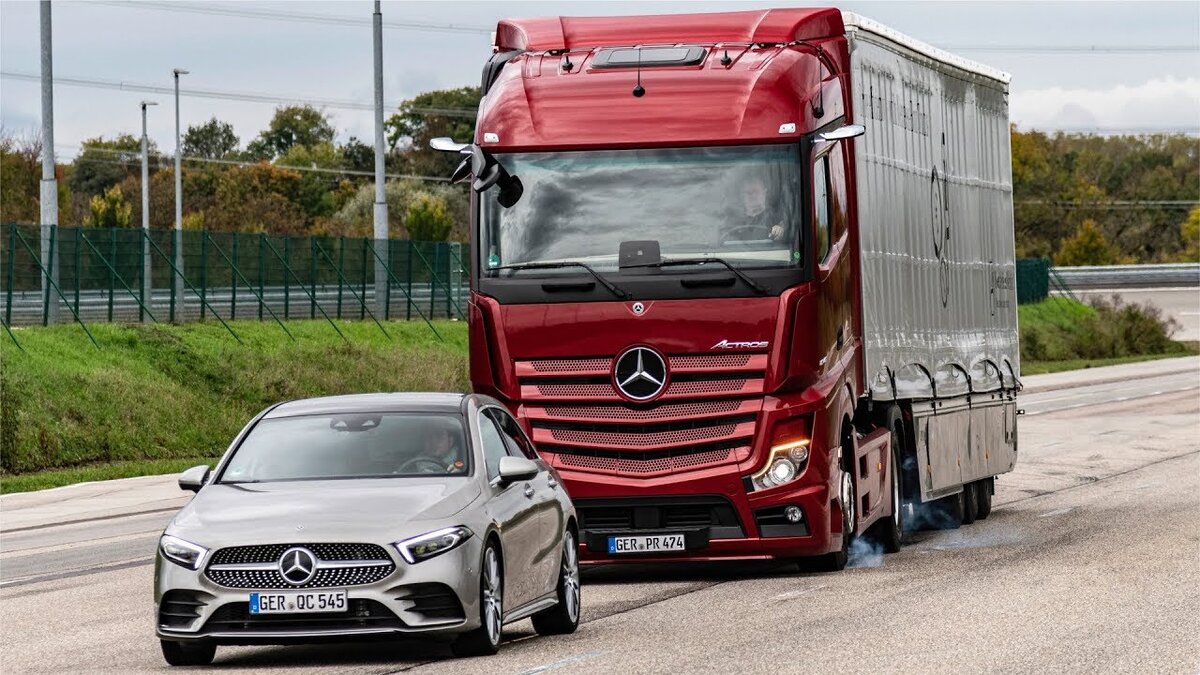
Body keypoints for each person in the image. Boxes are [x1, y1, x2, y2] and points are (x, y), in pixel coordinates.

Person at [723, 174, 787, 242]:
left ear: (764, 193)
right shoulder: (732, 221)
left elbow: (787, 233)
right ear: (742, 197)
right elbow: (724, 241)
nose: (753, 196)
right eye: (748, 193)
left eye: (756, 192)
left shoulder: (776, 217)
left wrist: (779, 230)